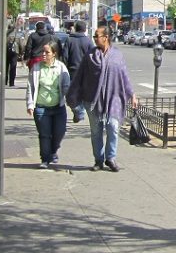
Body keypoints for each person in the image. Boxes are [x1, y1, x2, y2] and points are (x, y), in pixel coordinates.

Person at [66, 26, 138, 172]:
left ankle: (110, 158)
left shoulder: (117, 55)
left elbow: (124, 76)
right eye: (94, 36)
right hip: (93, 100)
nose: (94, 38)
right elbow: (80, 76)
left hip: (114, 98)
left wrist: (132, 95)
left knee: (113, 127)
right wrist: (72, 95)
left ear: (106, 37)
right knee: (96, 131)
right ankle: (98, 160)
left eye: (97, 36)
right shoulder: (90, 56)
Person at [26, 41, 70, 169]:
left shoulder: (61, 67)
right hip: (41, 107)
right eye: (43, 52)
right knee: (44, 135)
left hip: (58, 108)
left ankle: (53, 151)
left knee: (59, 133)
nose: (44, 54)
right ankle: (45, 159)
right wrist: (30, 104)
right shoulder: (36, 68)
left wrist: (73, 101)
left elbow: (66, 86)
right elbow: (30, 87)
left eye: (47, 52)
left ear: (54, 54)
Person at [65, 20, 93, 122]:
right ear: (85, 30)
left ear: (76, 29)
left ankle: (78, 111)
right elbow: (94, 56)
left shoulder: (69, 40)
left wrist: (65, 67)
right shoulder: (88, 41)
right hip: (86, 71)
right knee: (82, 93)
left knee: (71, 94)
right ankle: (79, 111)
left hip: (72, 70)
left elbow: (65, 56)